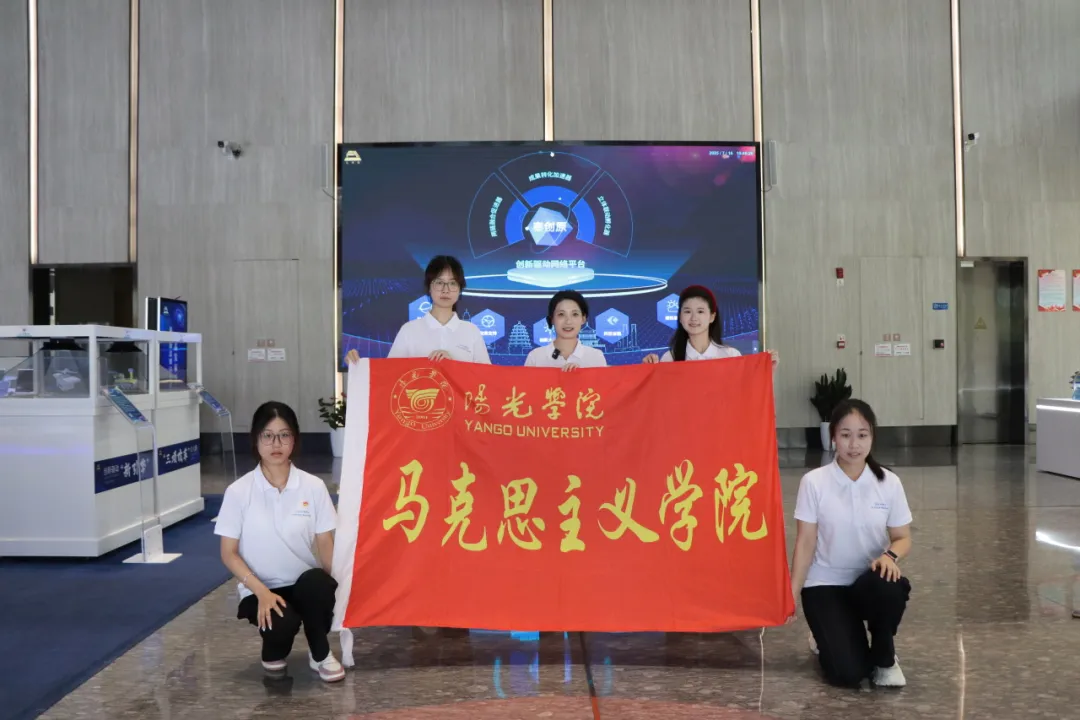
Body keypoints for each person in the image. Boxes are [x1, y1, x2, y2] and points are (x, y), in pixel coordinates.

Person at [215, 401, 345, 682]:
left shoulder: (313, 486)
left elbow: (325, 542)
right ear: (256, 439)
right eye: (268, 435)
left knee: (320, 585)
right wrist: (261, 591)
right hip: (260, 587)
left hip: (303, 583)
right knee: (281, 625)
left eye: (284, 435)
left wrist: (338, 589)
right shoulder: (239, 491)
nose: (276, 443)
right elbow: (229, 553)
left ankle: (320, 652)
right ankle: (273, 650)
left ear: (294, 439)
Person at [788, 399, 913, 689]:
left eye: (862, 435)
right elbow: (805, 542)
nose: (854, 444)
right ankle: (824, 634)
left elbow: (903, 537)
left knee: (889, 586)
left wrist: (889, 556)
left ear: (872, 437)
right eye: (845, 435)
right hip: (825, 584)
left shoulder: (889, 482)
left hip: (868, 580)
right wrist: (791, 592)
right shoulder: (814, 482)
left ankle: (885, 658)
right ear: (833, 436)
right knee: (847, 674)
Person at [345, 255, 490, 365]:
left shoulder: (471, 332)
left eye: (452, 283)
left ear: (460, 289)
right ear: (429, 287)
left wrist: (453, 366)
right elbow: (389, 376)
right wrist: (357, 366)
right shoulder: (409, 331)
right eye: (439, 282)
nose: (446, 290)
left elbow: (486, 380)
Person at [641, 285, 778, 366]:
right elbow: (660, 400)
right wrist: (647, 371)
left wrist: (767, 370)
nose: (694, 318)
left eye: (700, 311)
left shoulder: (730, 356)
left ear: (712, 316)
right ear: (680, 317)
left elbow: (745, 394)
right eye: (687, 311)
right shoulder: (669, 359)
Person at [524, 290, 607, 371]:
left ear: (583, 319)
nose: (568, 321)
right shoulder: (535, 357)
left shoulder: (596, 357)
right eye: (561, 314)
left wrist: (581, 374)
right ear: (552, 319)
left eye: (575, 314)